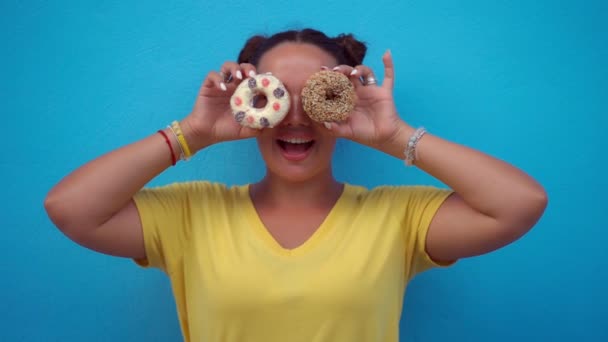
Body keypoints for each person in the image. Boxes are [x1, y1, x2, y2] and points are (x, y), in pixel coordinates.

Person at [44, 28, 548, 342]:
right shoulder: (189, 215)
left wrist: (394, 137)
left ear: (343, 101)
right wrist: (192, 134)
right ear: (248, 101)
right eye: (277, 97)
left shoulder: (398, 218)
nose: (297, 118)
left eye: (317, 95)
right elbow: (70, 209)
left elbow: (520, 204)